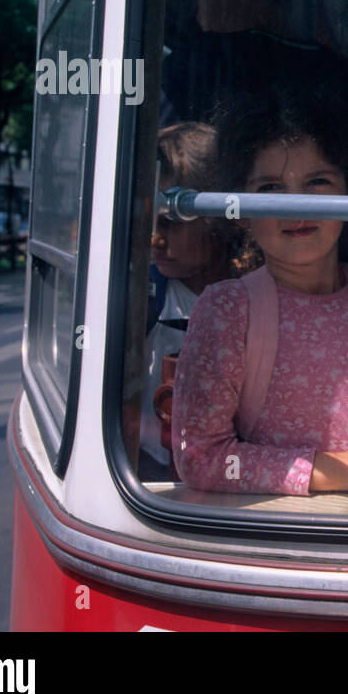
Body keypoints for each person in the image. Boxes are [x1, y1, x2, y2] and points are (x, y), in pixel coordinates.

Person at [171, 84, 348, 495]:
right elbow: (199, 457)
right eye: (270, 189)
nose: (297, 206)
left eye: (317, 182)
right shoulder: (229, 309)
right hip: (297, 539)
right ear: (239, 210)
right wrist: (330, 470)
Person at [139, 122, 236, 480]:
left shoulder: (257, 296)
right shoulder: (145, 300)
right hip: (153, 470)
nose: (153, 239)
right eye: (145, 221)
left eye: (171, 221)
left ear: (223, 220)